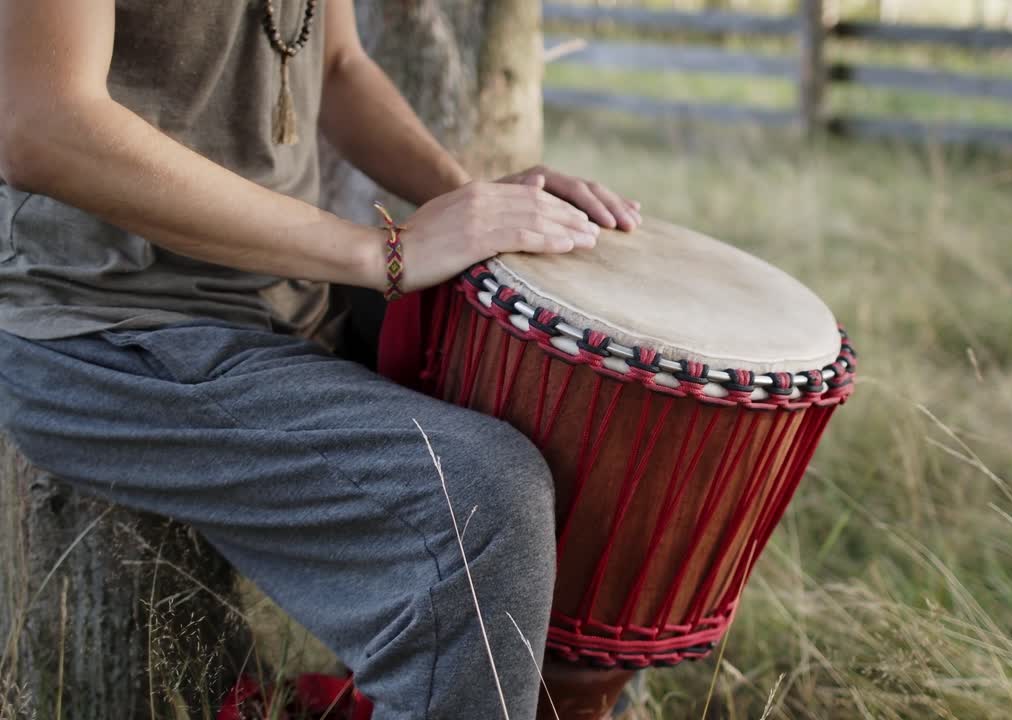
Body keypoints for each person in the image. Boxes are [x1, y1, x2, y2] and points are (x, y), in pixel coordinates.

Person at [0, 1, 640, 718]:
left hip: (288, 293)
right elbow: (44, 123)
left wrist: (472, 201)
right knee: (484, 498)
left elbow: (335, 65)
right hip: (107, 323)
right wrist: (381, 252)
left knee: (586, 399)